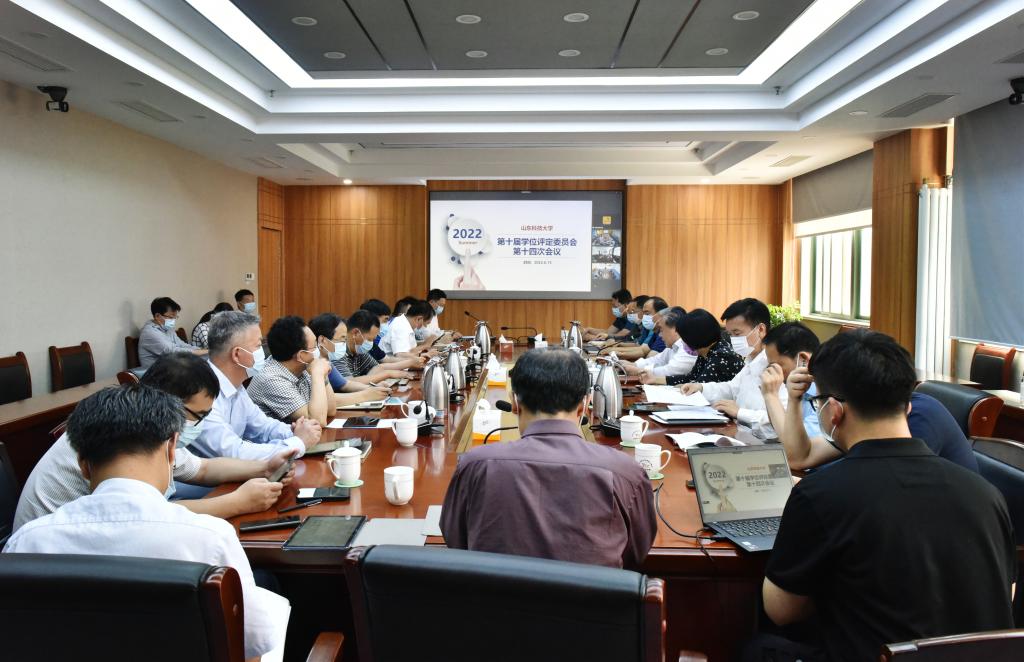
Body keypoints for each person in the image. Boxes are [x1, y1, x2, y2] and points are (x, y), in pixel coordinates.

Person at [754, 329, 1015, 662]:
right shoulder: (986, 494)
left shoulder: (821, 495)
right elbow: (1005, 593)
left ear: (833, 412)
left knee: (759, 646)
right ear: (907, 407)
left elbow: (782, 610)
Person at [2, 385, 290, 659]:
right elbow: (251, 647)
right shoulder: (209, 538)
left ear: (82, 464)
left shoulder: (27, 543)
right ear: (172, 448)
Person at [13, 353, 295, 530]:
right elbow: (147, 513)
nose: (198, 425)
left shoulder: (145, 422)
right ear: (167, 402)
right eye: (196, 416)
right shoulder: (122, 435)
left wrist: (264, 467)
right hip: (57, 559)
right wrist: (237, 502)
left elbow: (202, 469)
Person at [441, 348, 657, 569]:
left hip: (497, 592)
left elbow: (456, 541)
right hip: (590, 593)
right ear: (584, 405)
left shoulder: (475, 465)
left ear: (514, 402)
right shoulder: (625, 472)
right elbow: (635, 555)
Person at [772, 339, 980, 473]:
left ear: (835, 409)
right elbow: (800, 458)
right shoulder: (863, 417)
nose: (819, 407)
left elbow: (882, 489)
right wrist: (794, 399)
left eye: (818, 400)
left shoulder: (919, 419)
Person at [191, 311, 323, 461]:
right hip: (212, 475)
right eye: (259, 345)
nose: (263, 352)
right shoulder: (198, 393)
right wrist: (297, 442)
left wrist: (295, 430)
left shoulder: (236, 387)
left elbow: (263, 427)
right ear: (237, 354)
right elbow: (234, 452)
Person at [247, 316, 389, 426]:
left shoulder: (302, 366)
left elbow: (330, 409)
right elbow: (317, 421)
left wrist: (323, 376)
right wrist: (318, 374)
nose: (318, 350)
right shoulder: (272, 379)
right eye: (314, 346)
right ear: (301, 355)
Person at [677, 299, 780, 436]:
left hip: (762, 442)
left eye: (737, 333)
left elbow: (779, 422)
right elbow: (731, 388)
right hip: (739, 433)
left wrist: (740, 412)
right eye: (730, 335)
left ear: (760, 330)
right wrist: (701, 387)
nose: (733, 340)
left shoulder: (776, 366)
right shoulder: (751, 360)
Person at [643, 309, 744, 386]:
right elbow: (692, 377)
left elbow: (700, 386)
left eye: (684, 338)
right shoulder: (705, 351)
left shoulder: (721, 355)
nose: (682, 342)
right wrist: (655, 379)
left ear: (695, 336)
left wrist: (683, 386)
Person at [309, 312, 410, 388]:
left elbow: (346, 384)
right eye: (342, 339)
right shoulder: (319, 364)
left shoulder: (327, 363)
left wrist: (372, 388)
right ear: (322, 340)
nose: (344, 343)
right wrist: (378, 382)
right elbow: (346, 386)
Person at [758, 322, 822, 440]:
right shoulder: (801, 390)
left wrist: (771, 395)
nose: (771, 371)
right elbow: (779, 429)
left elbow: (793, 443)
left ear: (803, 360)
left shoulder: (824, 393)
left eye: (776, 365)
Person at [621, 307, 695, 379]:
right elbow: (657, 360)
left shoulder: (688, 347)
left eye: (661, 330)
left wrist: (639, 371)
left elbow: (670, 371)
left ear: (675, 329)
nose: (660, 335)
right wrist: (634, 364)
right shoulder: (672, 347)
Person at [138, 296, 206, 369]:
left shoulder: (168, 328)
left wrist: (201, 350)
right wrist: (200, 352)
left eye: (175, 317)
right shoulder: (149, 332)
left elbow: (181, 345)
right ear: (157, 316)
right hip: (156, 372)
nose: (173, 320)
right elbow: (172, 351)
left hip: (172, 368)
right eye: (171, 317)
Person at [360, 298, 427, 368]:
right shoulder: (360, 345)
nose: (387, 324)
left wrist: (414, 360)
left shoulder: (370, 343)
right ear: (372, 318)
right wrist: (410, 362)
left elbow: (387, 359)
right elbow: (377, 368)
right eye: (385, 320)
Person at [615, 296, 670, 361]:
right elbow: (643, 349)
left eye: (647, 313)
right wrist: (617, 350)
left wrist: (618, 353)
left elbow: (649, 355)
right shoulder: (655, 329)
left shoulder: (666, 331)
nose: (643, 316)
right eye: (643, 313)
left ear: (660, 314)